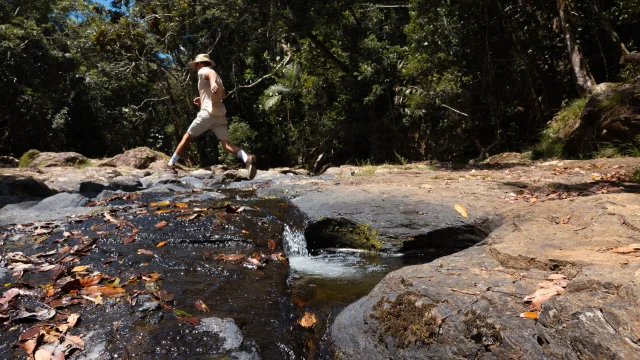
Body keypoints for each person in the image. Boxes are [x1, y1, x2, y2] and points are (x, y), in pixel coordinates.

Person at [166, 53, 257, 179]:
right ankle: (247, 158)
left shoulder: (205, 70)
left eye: (196, 65)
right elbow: (223, 95)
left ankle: (170, 165)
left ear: (201, 64)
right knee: (226, 145)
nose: (196, 68)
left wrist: (213, 83)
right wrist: (202, 97)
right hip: (219, 114)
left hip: (207, 114)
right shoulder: (218, 78)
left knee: (187, 137)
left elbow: (210, 74)